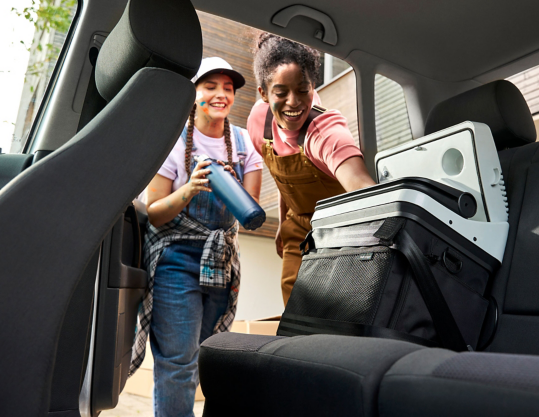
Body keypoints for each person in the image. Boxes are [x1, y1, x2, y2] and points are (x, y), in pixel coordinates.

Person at [133, 57, 262, 417]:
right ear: (193, 94)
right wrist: (190, 188)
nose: (221, 94)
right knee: (178, 361)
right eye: (210, 86)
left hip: (220, 260)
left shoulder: (242, 144)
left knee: (209, 358)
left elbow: (249, 211)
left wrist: (229, 182)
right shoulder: (172, 142)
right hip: (176, 260)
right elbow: (154, 213)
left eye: (228, 88)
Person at [246, 33, 376, 305]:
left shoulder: (326, 132)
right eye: (281, 93)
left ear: (313, 86)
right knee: (295, 313)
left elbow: (362, 188)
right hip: (298, 229)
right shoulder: (259, 122)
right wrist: (283, 223)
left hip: (340, 229)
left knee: (340, 313)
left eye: (303, 90)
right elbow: (282, 178)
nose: (294, 102)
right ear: (264, 94)